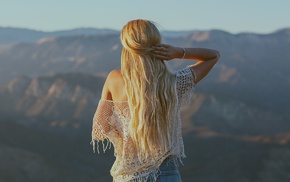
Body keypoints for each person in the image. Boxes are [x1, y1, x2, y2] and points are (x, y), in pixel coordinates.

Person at [91, 19, 220, 182]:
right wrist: (179, 52)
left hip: (129, 175)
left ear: (127, 48)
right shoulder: (174, 83)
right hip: (168, 174)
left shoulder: (114, 79)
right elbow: (213, 56)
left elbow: (102, 127)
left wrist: (129, 128)